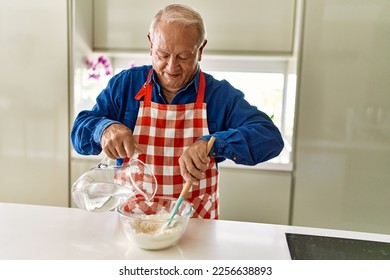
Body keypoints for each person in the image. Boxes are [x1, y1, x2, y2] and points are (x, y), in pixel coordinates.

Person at [71, 4, 284, 219]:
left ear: (200, 50)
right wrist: (103, 129)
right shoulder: (126, 85)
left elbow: (270, 138)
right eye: (163, 55)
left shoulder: (220, 95)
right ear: (150, 44)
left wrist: (214, 144)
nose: (171, 69)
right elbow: (79, 131)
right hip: (132, 226)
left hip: (196, 226)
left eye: (184, 57)